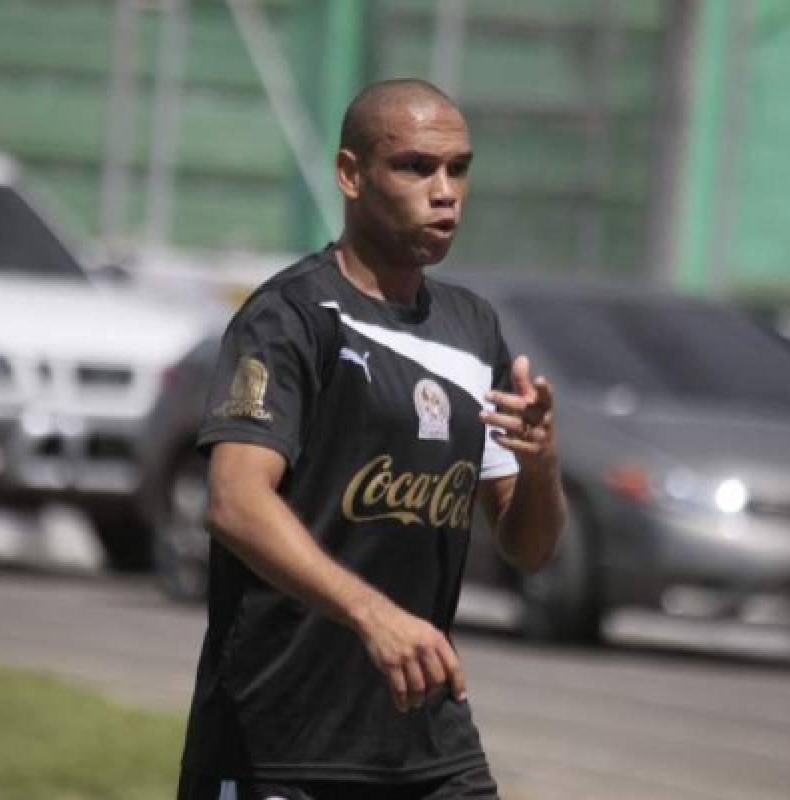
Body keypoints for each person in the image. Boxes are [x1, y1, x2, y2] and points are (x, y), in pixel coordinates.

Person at [178, 78, 567, 800]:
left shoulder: (473, 329)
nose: (444, 190)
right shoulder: (291, 317)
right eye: (415, 167)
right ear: (350, 175)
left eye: (459, 169)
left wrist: (541, 465)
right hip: (280, 742)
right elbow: (234, 502)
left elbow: (530, 547)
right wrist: (373, 614)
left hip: (428, 743)